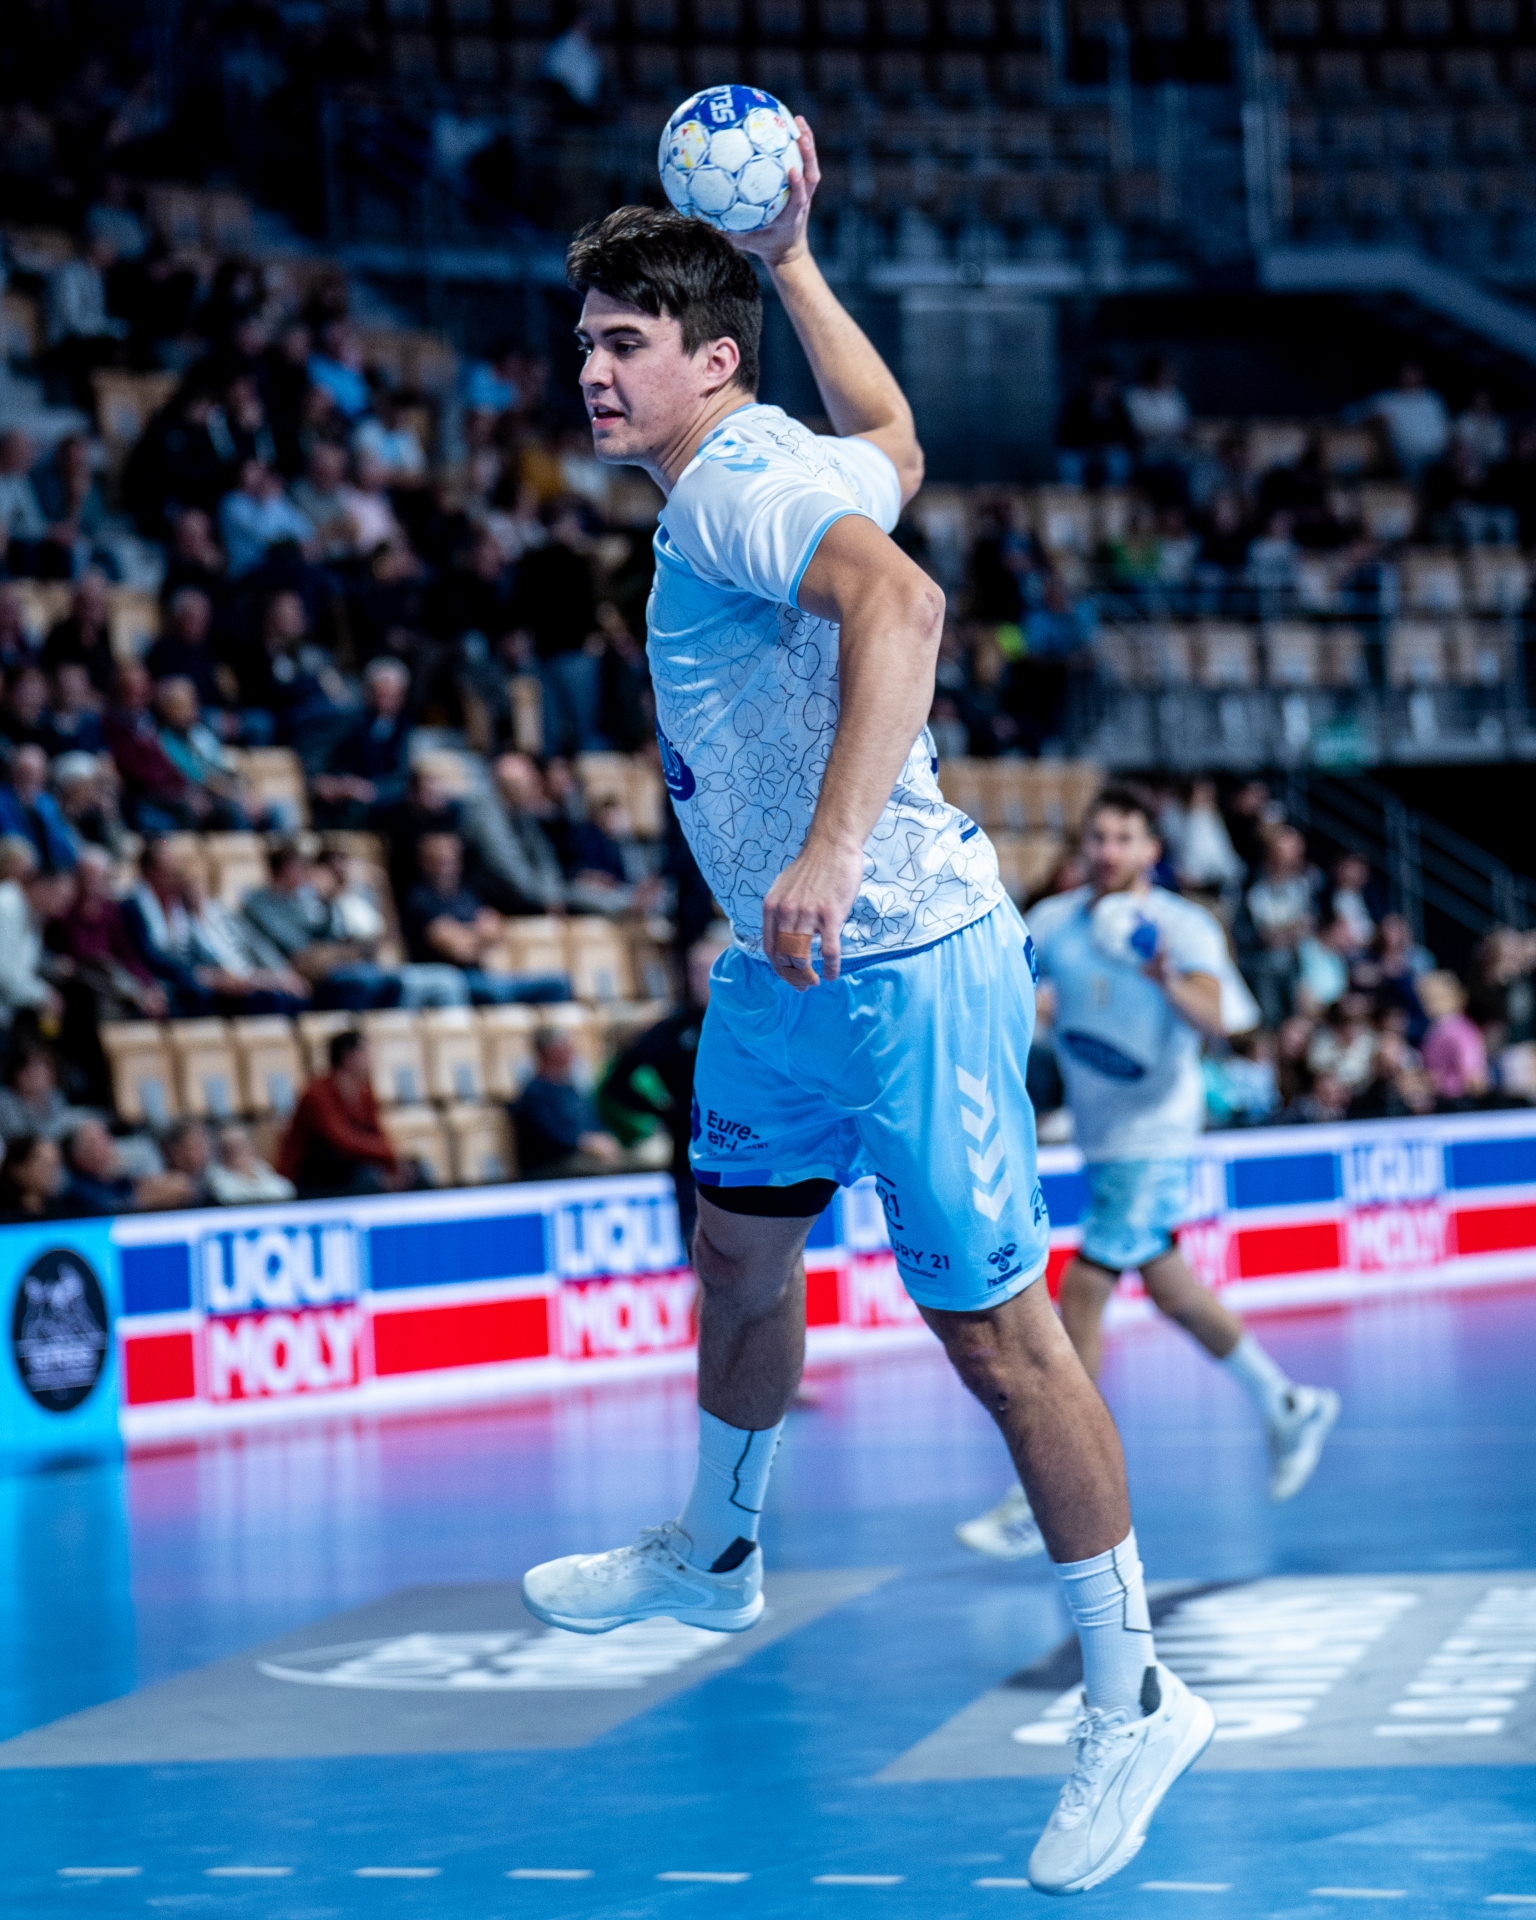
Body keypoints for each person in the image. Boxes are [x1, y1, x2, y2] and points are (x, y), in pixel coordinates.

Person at [517, 165, 1212, 1896]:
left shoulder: (735, 491)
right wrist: (799, 261)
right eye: (584, 341)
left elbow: (906, 606)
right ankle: (718, 1547)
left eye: (624, 343)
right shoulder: (787, 460)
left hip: (904, 959)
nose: (590, 370)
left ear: (711, 364)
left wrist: (829, 847)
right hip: (784, 980)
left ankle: (1133, 1698)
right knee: (737, 1255)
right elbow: (893, 435)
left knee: (998, 1339)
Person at [958, 791, 1339, 1556]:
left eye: (1124, 838)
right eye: (1097, 836)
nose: (1108, 850)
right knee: (1171, 1288)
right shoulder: (1056, 922)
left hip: (1158, 1133)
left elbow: (1222, 1020)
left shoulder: (1181, 925)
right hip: (1101, 1135)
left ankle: (1050, 1489)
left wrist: (1163, 974)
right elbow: (1006, 992)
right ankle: (1287, 1403)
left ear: (1150, 851)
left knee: (1082, 1291)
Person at [598, 926, 729, 1244]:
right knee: (699, 1245)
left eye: (709, 970)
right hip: (690, 1159)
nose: (701, 980)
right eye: (695, 971)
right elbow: (616, 1082)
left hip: (748, 1157)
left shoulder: (751, 1024)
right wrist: (665, 1112)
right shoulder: (673, 1029)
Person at [403, 831, 569, 1007]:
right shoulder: (420, 899)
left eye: (450, 860)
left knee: (558, 984)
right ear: (423, 862)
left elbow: (499, 933)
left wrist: (465, 933)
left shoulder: (466, 895)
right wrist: (480, 933)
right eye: (438, 861)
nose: (446, 867)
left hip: (483, 976)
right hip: (452, 981)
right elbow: (460, 951)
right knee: (494, 993)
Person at [277, 1029, 407, 1198]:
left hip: (351, 1165)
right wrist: (387, 1153)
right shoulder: (317, 1093)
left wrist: (393, 1163)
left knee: (414, 1170)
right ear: (348, 1056)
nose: (371, 1059)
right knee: (368, 1176)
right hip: (316, 1173)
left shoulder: (364, 1091)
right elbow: (341, 1139)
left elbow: (376, 1132)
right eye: (365, 1052)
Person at [513, 1027, 623, 1174]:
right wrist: (585, 1142)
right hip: (555, 1163)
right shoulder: (535, 1093)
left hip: (585, 1155)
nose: (572, 1051)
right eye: (564, 1046)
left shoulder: (570, 1088)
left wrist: (605, 1138)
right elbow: (550, 1136)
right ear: (547, 1052)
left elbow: (593, 1120)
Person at [208, 1122, 296, 1204]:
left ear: (252, 1148)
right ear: (221, 1153)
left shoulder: (262, 1168)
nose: (236, 1152)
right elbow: (229, 1196)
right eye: (229, 1148)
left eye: (241, 1145)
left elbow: (286, 1189)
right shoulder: (217, 1178)